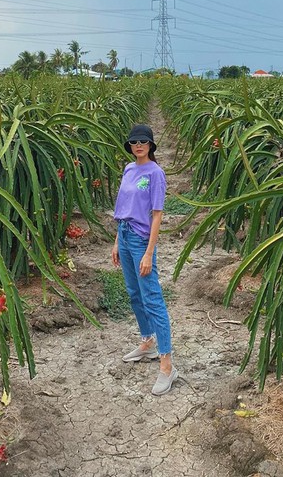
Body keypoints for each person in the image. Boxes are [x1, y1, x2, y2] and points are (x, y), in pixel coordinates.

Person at [112, 123, 178, 395]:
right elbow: (123, 208)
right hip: (125, 236)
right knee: (133, 293)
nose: (138, 145)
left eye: (143, 141)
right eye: (134, 142)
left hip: (141, 241)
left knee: (152, 297)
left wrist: (149, 252)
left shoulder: (155, 173)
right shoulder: (129, 169)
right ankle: (147, 342)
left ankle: (167, 365)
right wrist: (117, 241)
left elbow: (157, 215)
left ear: (151, 145)